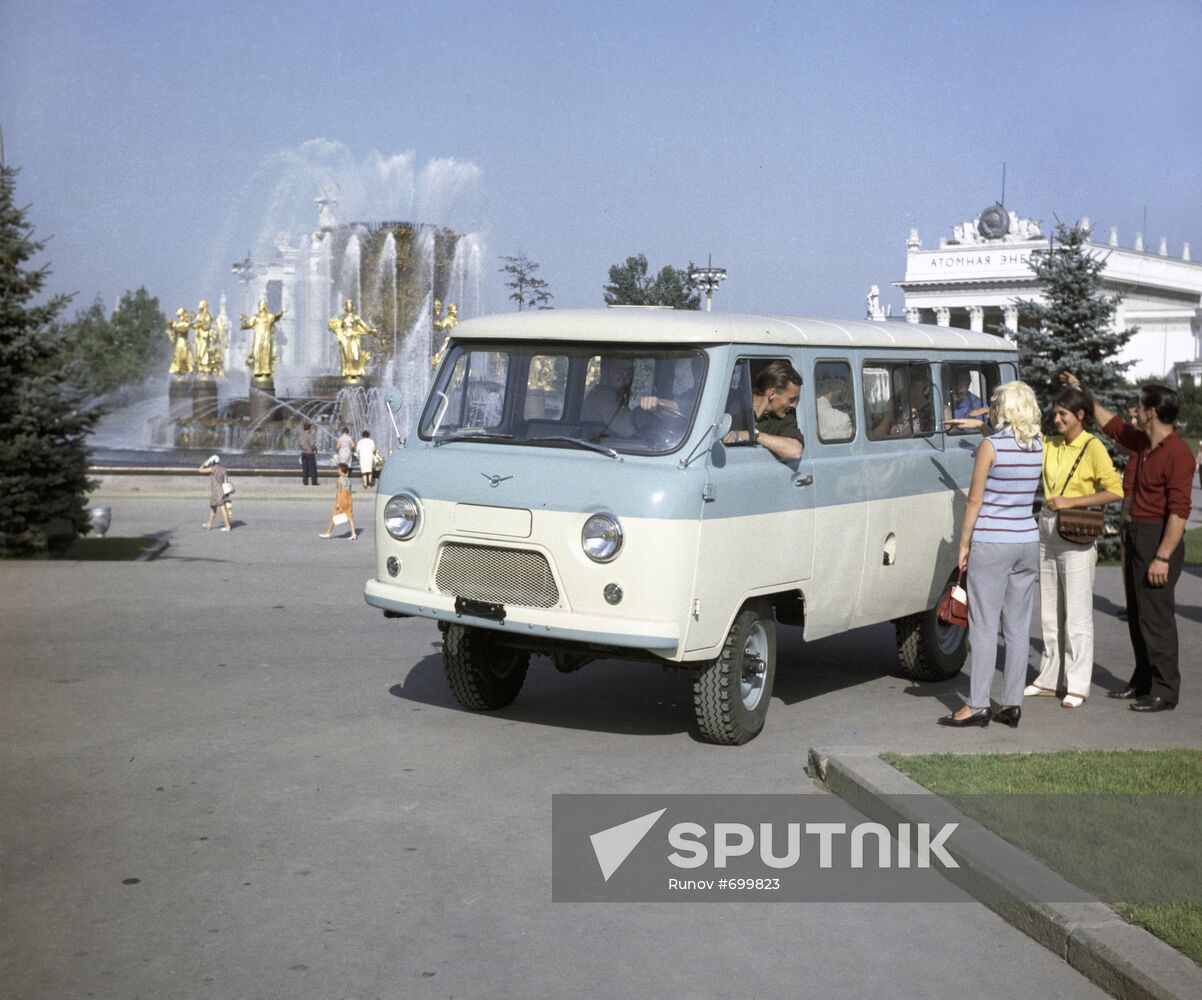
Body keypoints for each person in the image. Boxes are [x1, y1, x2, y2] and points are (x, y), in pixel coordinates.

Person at [1062, 373, 1196, 712]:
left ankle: (1165, 690)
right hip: (1135, 534)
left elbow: (1179, 512)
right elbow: (1113, 426)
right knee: (1137, 613)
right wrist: (1084, 392)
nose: (1135, 408)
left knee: (1156, 616)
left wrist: (1162, 556)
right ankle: (1143, 680)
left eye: (1140, 403)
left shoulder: (1178, 453)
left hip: (1158, 538)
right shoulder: (1142, 443)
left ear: (1152, 412)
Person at [940, 381, 1043, 728]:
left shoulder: (990, 446)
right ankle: (1012, 704)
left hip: (992, 541)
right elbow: (1006, 439)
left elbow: (974, 500)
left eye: (996, 404)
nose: (992, 409)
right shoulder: (1038, 445)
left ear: (1005, 408)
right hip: (1026, 540)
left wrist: (964, 544)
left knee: (983, 625)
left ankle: (978, 704)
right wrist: (979, 424)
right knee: (1017, 627)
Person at [1024, 387, 1123, 707]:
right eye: (1055, 413)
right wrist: (987, 425)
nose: (1056, 418)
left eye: (1063, 414)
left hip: (1076, 531)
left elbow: (1115, 490)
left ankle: (1077, 684)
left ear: (1081, 416)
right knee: (1050, 612)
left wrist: (1072, 501)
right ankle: (1050, 678)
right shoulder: (1050, 443)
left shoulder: (1093, 446)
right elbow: (1019, 443)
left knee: (1077, 615)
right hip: (1047, 527)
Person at [724, 360, 805, 463]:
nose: (794, 405)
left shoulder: (784, 418)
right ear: (771, 394)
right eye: (791, 399)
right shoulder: (732, 405)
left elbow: (795, 451)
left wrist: (754, 435)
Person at [582, 357, 639, 438]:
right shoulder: (602, 396)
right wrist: (645, 411)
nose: (626, 377)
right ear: (605, 371)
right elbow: (626, 428)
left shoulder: (617, 395)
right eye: (619, 371)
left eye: (629, 372)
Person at [320, 463, 357, 541]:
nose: (338, 471)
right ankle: (353, 533)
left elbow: (338, 492)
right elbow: (349, 491)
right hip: (349, 500)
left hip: (342, 500)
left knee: (334, 515)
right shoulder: (349, 480)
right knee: (350, 517)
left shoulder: (339, 479)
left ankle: (328, 533)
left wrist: (337, 502)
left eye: (339, 470)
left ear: (341, 471)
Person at [199, 454, 232, 532]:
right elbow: (225, 479)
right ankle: (209, 524)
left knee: (221, 508)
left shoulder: (212, 469)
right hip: (221, 490)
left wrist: (204, 463)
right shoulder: (223, 469)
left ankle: (227, 526)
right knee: (213, 508)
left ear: (213, 462)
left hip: (216, 491)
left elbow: (200, 470)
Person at [298, 422, 319, 486]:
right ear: (309, 428)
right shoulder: (310, 435)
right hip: (310, 453)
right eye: (311, 428)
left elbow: (299, 443)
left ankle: (305, 482)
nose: (311, 429)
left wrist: (303, 448)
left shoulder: (301, 435)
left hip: (303, 453)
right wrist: (315, 449)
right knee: (312, 468)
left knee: (305, 468)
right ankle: (314, 482)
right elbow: (312, 444)